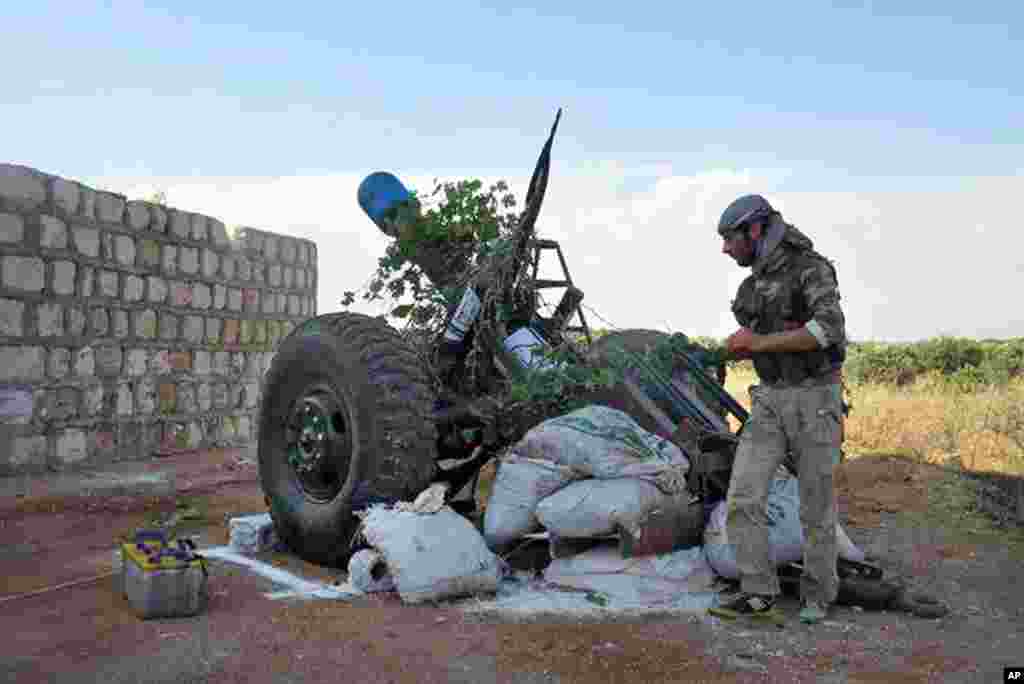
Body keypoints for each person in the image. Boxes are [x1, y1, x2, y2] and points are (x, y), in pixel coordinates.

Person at [710, 194, 847, 625]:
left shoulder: (811, 268)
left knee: (815, 505)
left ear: (754, 230)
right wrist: (735, 347)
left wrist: (757, 344)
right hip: (769, 398)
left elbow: (827, 329)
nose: (725, 249)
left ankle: (818, 595)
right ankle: (758, 593)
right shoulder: (752, 285)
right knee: (743, 498)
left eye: (730, 239)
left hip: (816, 399)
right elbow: (758, 337)